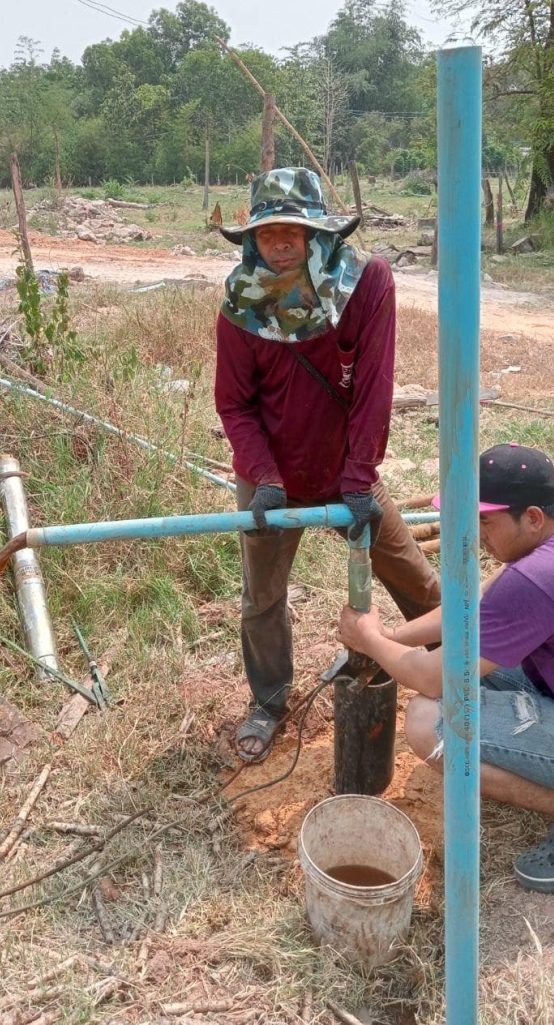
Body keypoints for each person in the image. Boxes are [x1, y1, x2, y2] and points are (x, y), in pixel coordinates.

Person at [338, 442, 554, 893]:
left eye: (485, 521)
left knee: (431, 724)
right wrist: (391, 637)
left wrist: (368, 638)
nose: (476, 534)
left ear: (532, 518)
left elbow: (431, 676)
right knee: (456, 680)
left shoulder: (543, 578)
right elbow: (486, 599)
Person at [214, 167, 441, 761]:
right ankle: (268, 701)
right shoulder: (241, 304)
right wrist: (262, 476)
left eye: (296, 229)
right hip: (270, 476)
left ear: (320, 234)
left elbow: (374, 386)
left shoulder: (368, 285)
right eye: (268, 232)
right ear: (251, 239)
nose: (282, 243)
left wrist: (361, 475)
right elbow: (234, 404)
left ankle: (467, 672)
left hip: (347, 470)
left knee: (412, 574)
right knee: (261, 597)